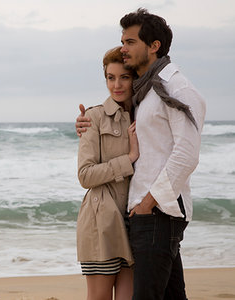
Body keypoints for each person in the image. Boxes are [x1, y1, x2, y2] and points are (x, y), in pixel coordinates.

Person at [75, 8, 206, 300]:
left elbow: (186, 153)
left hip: (157, 211)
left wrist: (148, 203)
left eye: (130, 41)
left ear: (153, 45)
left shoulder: (176, 88)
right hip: (140, 214)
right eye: (123, 41)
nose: (124, 48)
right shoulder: (147, 93)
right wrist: (88, 123)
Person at [77, 46, 139, 300]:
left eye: (124, 77)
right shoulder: (93, 117)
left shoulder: (143, 114)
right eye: (110, 78)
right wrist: (129, 159)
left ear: (135, 78)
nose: (117, 85)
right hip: (101, 221)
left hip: (135, 221)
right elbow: (85, 175)